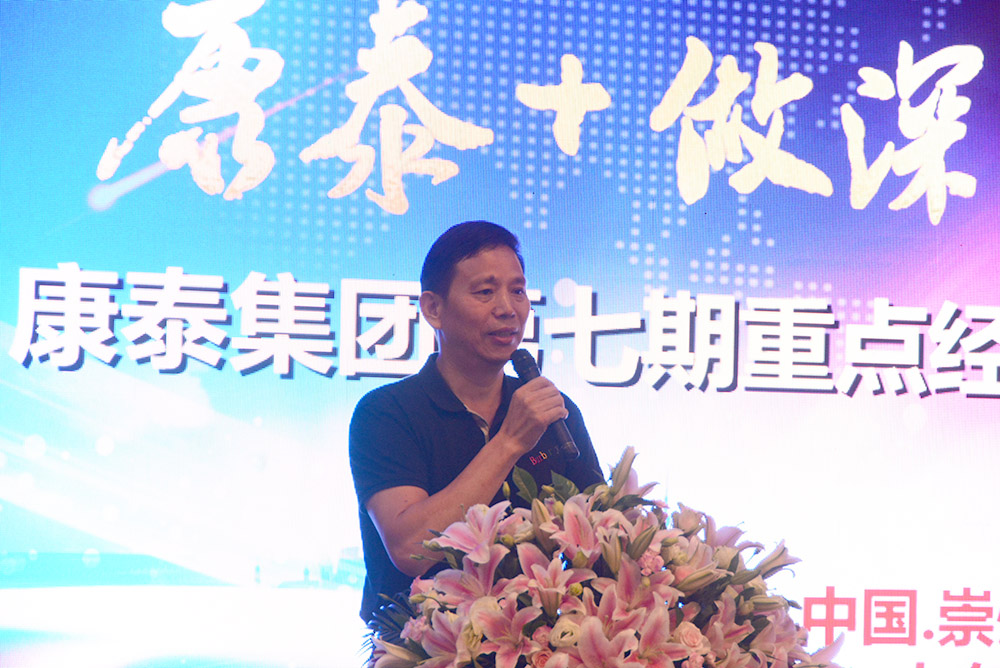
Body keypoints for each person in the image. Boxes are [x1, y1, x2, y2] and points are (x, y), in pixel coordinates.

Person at [348, 220, 603, 622]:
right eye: (485, 292)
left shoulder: (552, 409)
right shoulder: (386, 412)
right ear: (433, 309)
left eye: (517, 291)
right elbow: (410, 548)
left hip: (540, 641)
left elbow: (600, 534)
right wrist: (509, 442)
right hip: (422, 642)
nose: (508, 309)